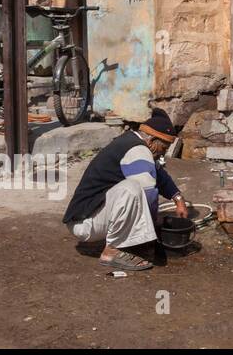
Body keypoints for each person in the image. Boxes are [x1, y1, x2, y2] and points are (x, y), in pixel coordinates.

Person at [62, 108, 188, 272]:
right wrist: (151, 234)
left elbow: (158, 173)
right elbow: (149, 193)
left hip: (91, 215)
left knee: (136, 190)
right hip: (84, 223)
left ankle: (125, 241)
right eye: (164, 148)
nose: (163, 154)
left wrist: (178, 199)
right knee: (133, 189)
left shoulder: (134, 143)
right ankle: (112, 252)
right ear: (152, 140)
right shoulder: (137, 150)